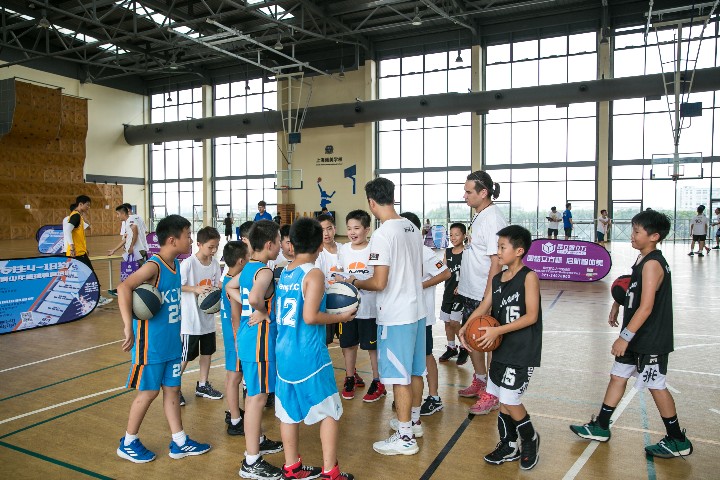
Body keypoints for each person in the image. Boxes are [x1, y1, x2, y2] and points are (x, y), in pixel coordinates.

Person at [570, 209, 693, 460]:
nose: (632, 235)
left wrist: (624, 337)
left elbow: (646, 307)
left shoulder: (653, 264)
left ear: (654, 236)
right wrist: (618, 303)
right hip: (637, 337)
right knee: (617, 376)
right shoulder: (642, 260)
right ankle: (601, 426)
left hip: (650, 340)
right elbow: (633, 289)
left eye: (637, 231)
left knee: (656, 386)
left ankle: (677, 439)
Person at [116, 214, 211, 463]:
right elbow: (124, 288)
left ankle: (179, 441)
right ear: (172, 239)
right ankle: (128, 442)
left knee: (173, 390)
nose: (190, 239)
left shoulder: (176, 265)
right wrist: (128, 327)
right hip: (151, 345)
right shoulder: (154, 266)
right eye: (187, 235)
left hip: (171, 343)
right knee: (148, 393)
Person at [275, 217, 356, 480]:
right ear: (320, 244)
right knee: (330, 410)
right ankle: (331, 471)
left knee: (288, 413)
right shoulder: (314, 273)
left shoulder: (285, 272)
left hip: (284, 352)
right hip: (309, 355)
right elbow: (310, 317)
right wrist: (341, 317)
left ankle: (292, 467)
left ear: (292, 244)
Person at [349, 178, 426, 456]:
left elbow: (379, 282)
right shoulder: (412, 227)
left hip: (396, 316)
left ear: (371, 203)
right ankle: (414, 422)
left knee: (399, 377)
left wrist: (354, 282)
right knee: (414, 371)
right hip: (416, 311)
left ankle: (405, 437)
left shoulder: (383, 234)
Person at [460, 225, 542, 470]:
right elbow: (484, 306)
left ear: (519, 250)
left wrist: (497, 330)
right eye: (497, 247)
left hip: (522, 350)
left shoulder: (529, 277)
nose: (498, 252)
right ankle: (508, 445)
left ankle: (530, 438)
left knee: (510, 399)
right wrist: (466, 326)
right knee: (501, 398)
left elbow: (532, 316)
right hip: (501, 350)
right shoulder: (498, 279)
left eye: (502, 247)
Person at [227, 220, 284, 479]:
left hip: (248, 339)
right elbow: (253, 297)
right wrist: (261, 310)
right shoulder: (265, 272)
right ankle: (251, 461)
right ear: (270, 245)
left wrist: (253, 308)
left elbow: (229, 287)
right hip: (259, 341)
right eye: (279, 241)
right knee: (257, 399)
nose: (281, 246)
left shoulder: (248, 267)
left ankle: (256, 443)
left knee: (253, 397)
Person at [456, 171, 507, 416]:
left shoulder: (493, 219)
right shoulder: (479, 215)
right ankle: (480, 380)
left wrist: (488, 299)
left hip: (484, 295)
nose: (464, 196)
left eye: (468, 192)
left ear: (483, 192)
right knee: (472, 338)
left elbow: (496, 262)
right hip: (470, 290)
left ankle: (493, 393)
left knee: (489, 341)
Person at [400, 212, 451, 417]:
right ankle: (409, 397)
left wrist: (419, 286)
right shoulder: (400, 251)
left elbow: (445, 273)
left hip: (423, 316)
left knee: (426, 355)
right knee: (409, 357)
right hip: (405, 315)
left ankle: (434, 397)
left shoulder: (424, 252)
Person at [336, 210, 385, 402]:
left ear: (367, 229)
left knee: (373, 348)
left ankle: (378, 381)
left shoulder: (374, 249)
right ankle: (350, 378)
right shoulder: (344, 250)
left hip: (370, 309)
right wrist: (340, 279)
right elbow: (340, 271)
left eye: (356, 228)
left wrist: (356, 281)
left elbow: (379, 279)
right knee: (348, 345)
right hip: (348, 309)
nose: (352, 232)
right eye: (349, 228)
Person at [178, 226, 224, 406]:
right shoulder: (188, 264)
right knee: (185, 357)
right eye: (210, 247)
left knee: (207, 353)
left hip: (207, 319)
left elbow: (217, 285)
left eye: (216, 247)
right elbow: (177, 286)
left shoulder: (214, 264)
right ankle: (174, 388)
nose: (213, 250)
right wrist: (195, 289)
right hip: (190, 321)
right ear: (199, 244)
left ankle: (203, 385)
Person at [221, 241, 250, 436]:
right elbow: (235, 315)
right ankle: (235, 420)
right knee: (234, 377)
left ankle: (234, 414)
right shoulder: (234, 285)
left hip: (231, 335)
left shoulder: (227, 278)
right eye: (248, 257)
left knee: (234, 377)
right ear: (241, 261)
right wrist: (239, 340)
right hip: (235, 336)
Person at [65, 195, 113, 306]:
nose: (88, 207)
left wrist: (84, 248)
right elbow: (67, 231)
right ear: (80, 204)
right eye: (87, 205)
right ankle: (97, 299)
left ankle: (88, 299)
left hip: (80, 252)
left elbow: (78, 235)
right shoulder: (76, 216)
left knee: (83, 278)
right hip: (77, 254)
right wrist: (72, 247)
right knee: (90, 277)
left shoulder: (78, 216)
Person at [316, 214, 350, 354]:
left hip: (345, 302)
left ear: (335, 229)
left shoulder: (344, 249)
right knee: (325, 340)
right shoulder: (317, 253)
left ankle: (350, 368)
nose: (326, 233)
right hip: (326, 304)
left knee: (347, 342)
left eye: (329, 228)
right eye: (322, 230)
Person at [438, 223, 466, 364]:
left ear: (464, 236)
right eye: (451, 235)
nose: (453, 237)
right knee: (447, 321)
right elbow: (443, 269)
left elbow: (471, 272)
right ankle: (451, 347)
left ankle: (464, 347)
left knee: (455, 322)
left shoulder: (467, 252)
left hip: (461, 294)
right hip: (448, 291)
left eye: (457, 234)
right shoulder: (448, 252)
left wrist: (462, 285)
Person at [108, 204, 148, 296]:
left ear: (123, 213)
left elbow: (135, 232)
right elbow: (126, 238)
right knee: (132, 271)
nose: (117, 216)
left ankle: (144, 291)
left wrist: (131, 246)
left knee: (142, 272)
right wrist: (114, 250)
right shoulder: (129, 221)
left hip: (137, 251)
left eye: (118, 214)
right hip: (135, 251)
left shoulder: (131, 219)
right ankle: (127, 289)